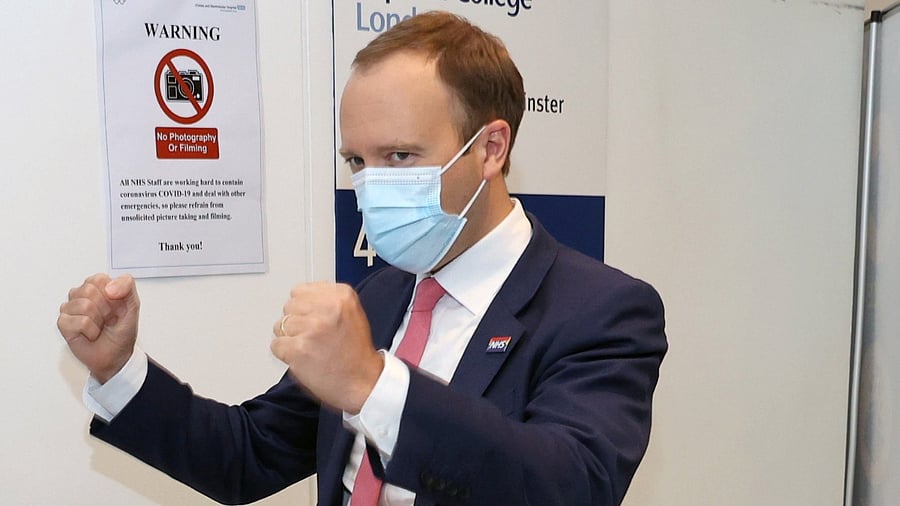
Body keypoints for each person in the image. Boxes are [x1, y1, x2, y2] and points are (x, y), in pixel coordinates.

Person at [57, 11, 667, 506]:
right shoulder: (381, 296)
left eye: (399, 156)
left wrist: (375, 387)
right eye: (357, 162)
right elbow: (249, 455)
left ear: (490, 148)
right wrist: (119, 371)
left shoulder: (602, 309)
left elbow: (573, 487)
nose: (371, 187)